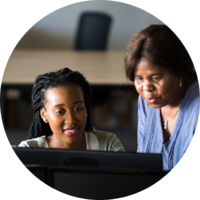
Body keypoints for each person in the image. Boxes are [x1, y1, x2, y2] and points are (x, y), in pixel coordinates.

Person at [124, 24, 199, 171]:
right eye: (139, 79)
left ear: (178, 72)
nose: (146, 88)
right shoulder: (147, 101)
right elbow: (143, 163)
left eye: (156, 78)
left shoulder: (197, 109)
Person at [18, 68, 125, 152]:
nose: (71, 120)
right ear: (44, 114)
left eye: (78, 109)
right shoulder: (28, 150)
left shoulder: (107, 145)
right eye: (60, 112)